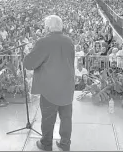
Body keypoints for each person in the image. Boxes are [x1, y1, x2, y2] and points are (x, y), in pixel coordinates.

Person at [24, 15, 75, 151]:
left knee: (48, 118)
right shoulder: (69, 41)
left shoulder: (44, 42)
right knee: (66, 118)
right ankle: (65, 144)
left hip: (50, 88)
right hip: (67, 86)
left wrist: (29, 52)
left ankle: (46, 144)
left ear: (47, 27)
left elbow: (29, 64)